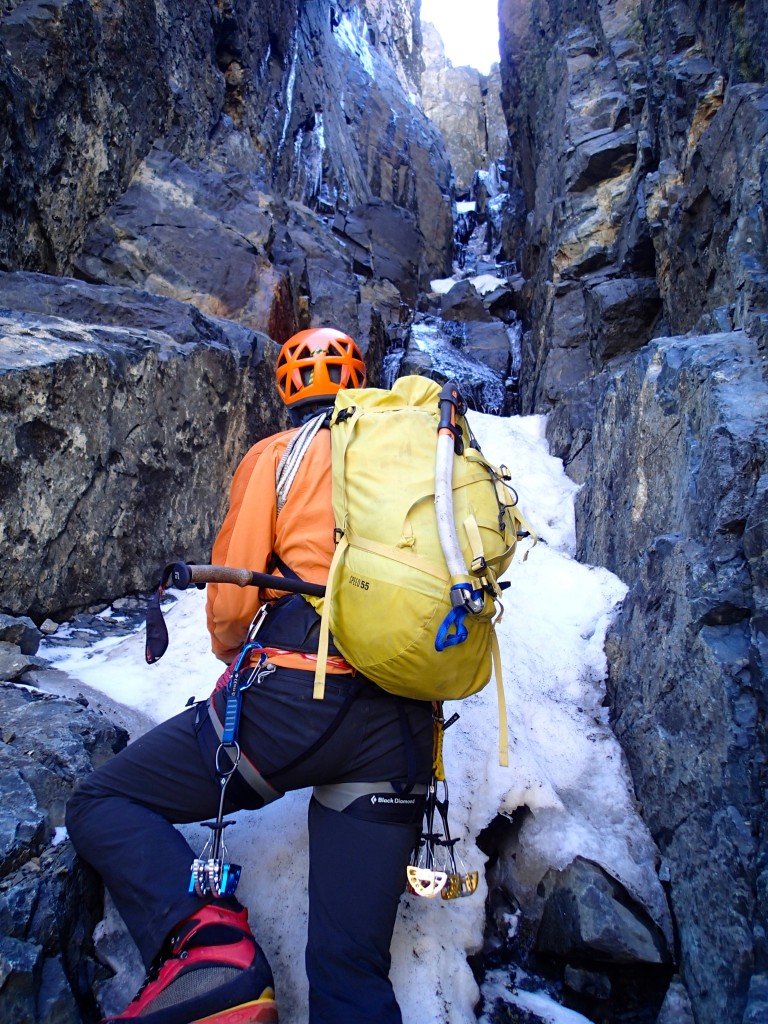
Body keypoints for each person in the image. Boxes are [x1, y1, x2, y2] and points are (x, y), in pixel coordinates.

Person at [65, 327, 435, 1024]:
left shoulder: (279, 452)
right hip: (405, 724)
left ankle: (212, 954)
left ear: (288, 388)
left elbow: (231, 607)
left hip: (294, 699)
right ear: (359, 379)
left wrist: (234, 661)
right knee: (352, 970)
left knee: (101, 802)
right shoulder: (418, 456)